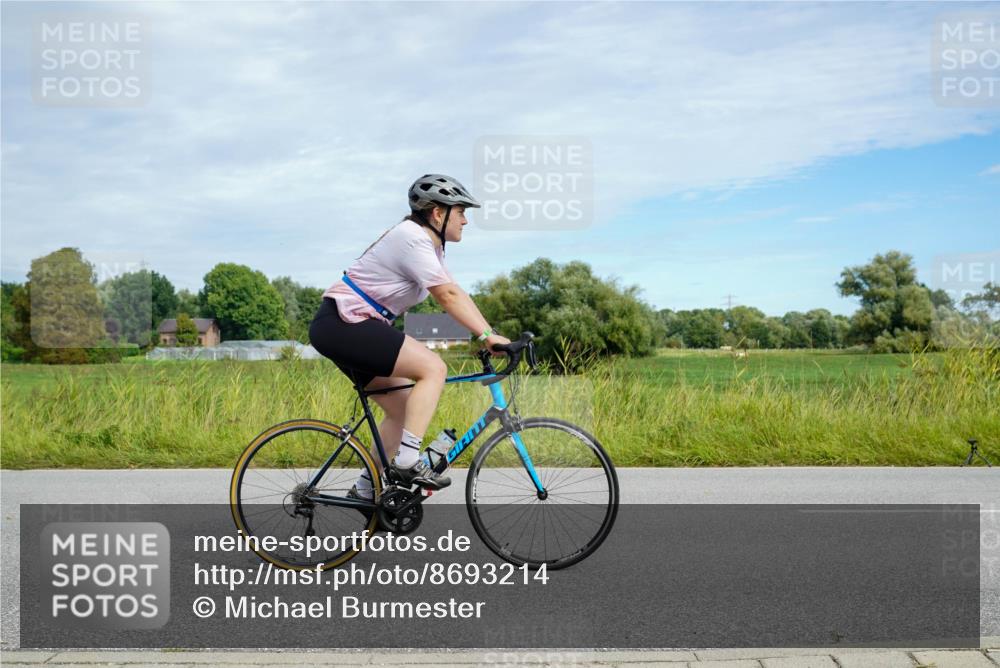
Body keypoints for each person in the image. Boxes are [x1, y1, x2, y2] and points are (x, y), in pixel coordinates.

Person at [309, 174, 510, 501]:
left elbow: (455, 292)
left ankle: (364, 490)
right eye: (460, 211)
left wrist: (488, 332)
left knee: (401, 411)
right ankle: (406, 462)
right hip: (345, 322)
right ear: (437, 214)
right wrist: (488, 335)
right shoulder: (412, 238)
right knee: (434, 369)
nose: (466, 219)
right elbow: (447, 296)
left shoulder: (430, 248)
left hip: (348, 326)